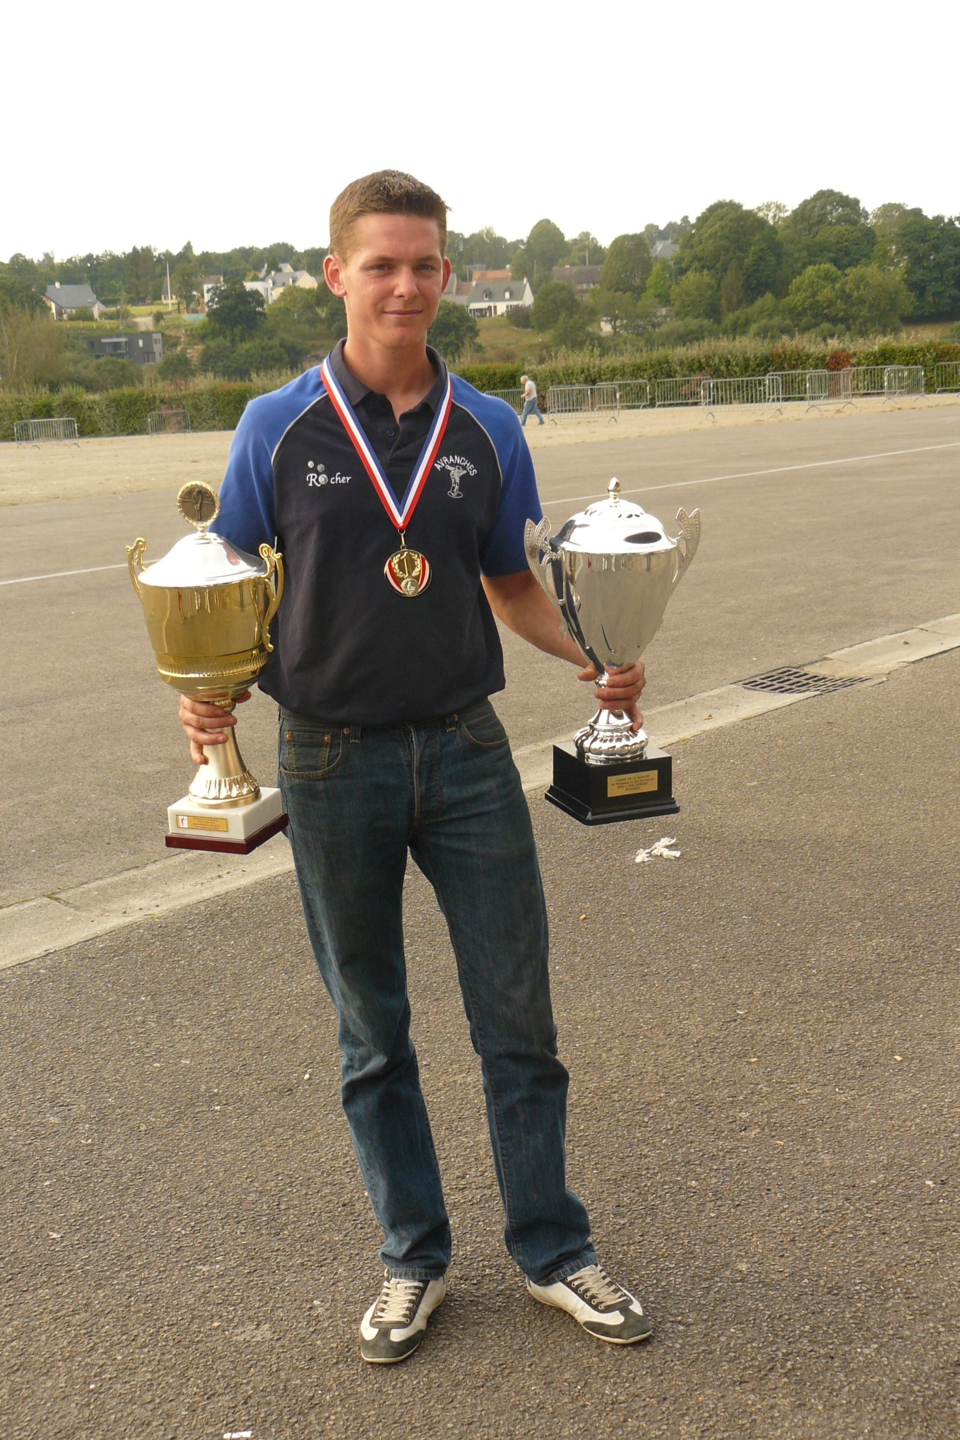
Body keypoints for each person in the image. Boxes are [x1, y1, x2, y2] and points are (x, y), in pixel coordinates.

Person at [178, 171, 651, 1365]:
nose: (405, 285)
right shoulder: (273, 425)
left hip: (466, 751)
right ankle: (412, 1257)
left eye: (425, 264)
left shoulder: (488, 427)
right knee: (372, 1035)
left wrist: (598, 651)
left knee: (518, 1022)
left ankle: (551, 1248)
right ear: (335, 274)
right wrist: (208, 700)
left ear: (448, 275)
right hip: (329, 756)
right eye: (381, 264)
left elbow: (508, 582)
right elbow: (225, 590)